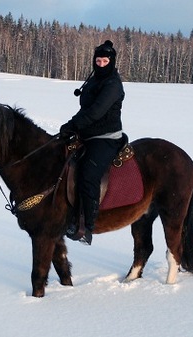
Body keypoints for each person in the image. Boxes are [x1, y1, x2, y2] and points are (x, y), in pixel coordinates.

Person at [59, 40, 126, 245]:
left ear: (112, 62)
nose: (101, 64)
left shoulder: (113, 84)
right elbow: (85, 110)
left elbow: (96, 112)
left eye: (105, 61)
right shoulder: (93, 81)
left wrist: (73, 125)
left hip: (106, 137)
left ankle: (87, 226)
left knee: (88, 174)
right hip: (86, 134)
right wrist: (71, 127)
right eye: (98, 60)